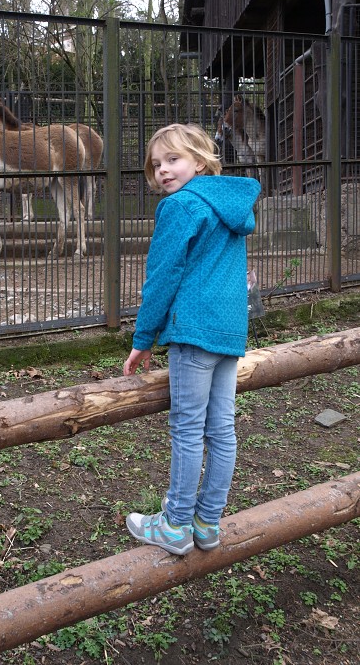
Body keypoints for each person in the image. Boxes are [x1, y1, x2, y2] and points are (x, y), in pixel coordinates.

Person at [123, 122, 261, 556]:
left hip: (194, 333)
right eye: (156, 163)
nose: (162, 170)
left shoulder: (180, 206)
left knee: (187, 429)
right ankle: (207, 523)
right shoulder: (229, 206)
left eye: (173, 159)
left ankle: (176, 524)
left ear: (200, 162)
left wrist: (143, 338)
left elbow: (163, 277)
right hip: (229, 331)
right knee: (221, 429)